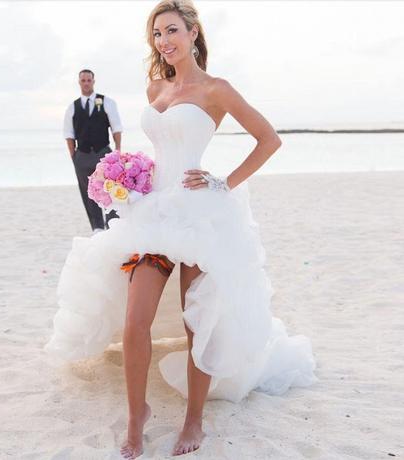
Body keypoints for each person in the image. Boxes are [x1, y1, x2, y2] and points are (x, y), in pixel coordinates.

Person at [45, 1, 318, 458]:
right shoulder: (155, 87)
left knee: (199, 322)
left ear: (193, 33)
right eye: (156, 35)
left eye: (172, 31)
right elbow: (162, 149)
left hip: (199, 216)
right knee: (136, 322)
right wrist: (127, 176)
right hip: (153, 212)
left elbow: (269, 139)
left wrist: (223, 182)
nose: (164, 41)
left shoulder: (217, 89)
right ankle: (137, 418)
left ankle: (194, 420)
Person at [63, 69, 123, 233]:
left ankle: (112, 225)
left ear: (93, 81)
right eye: (83, 80)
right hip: (82, 155)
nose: (86, 83)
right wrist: (74, 156)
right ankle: (97, 227)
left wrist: (117, 152)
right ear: (79, 82)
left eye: (89, 80)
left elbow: (116, 128)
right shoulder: (72, 107)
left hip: (103, 153)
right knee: (88, 191)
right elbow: (68, 134)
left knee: (109, 189)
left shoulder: (106, 102)